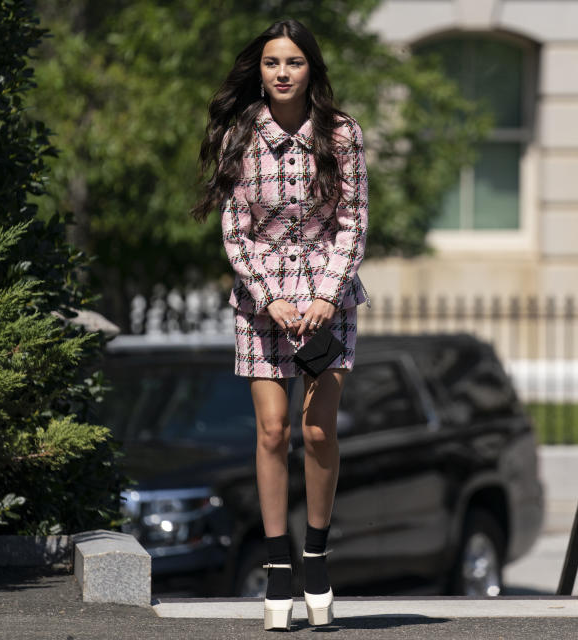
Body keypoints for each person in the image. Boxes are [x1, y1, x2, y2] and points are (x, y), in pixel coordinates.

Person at [191, 18, 369, 630]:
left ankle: (315, 553)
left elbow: (354, 221)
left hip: (327, 302)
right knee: (272, 432)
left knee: (317, 432)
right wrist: (268, 297)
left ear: (311, 69)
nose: (283, 72)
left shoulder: (342, 136)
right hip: (262, 302)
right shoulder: (240, 135)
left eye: (294, 62)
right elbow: (233, 229)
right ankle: (278, 564)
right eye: (272, 63)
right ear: (260, 71)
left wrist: (325, 294)